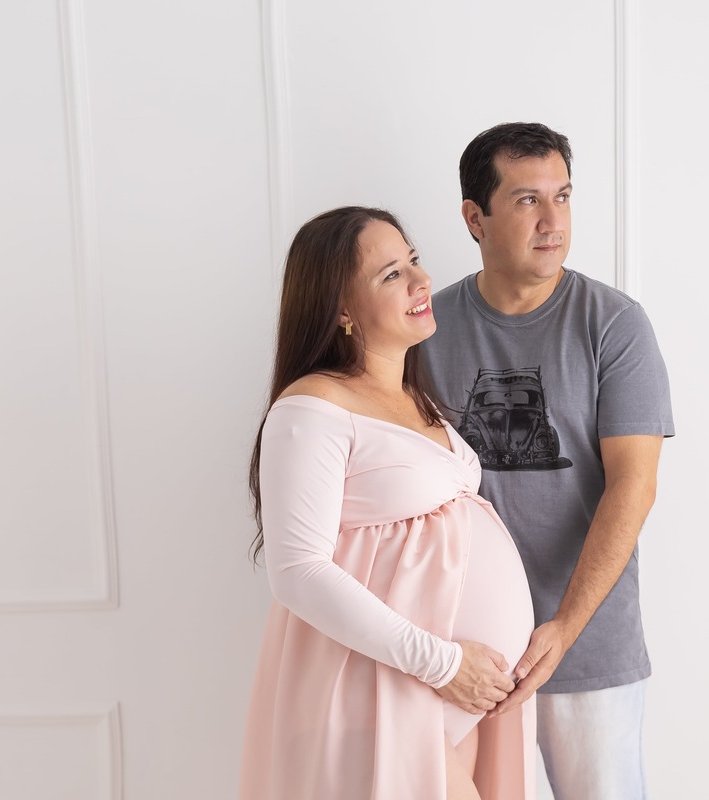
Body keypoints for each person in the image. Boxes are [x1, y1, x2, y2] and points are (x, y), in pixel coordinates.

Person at [239, 206, 537, 800]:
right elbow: (298, 571)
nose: (421, 281)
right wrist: (445, 664)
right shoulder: (312, 409)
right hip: (380, 693)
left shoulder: (416, 399)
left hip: (448, 698)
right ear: (341, 309)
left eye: (415, 261)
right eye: (391, 274)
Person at [419, 123, 674, 800]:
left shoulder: (614, 324)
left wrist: (563, 626)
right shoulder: (424, 332)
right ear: (476, 217)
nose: (553, 220)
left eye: (562, 196)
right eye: (528, 200)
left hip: (584, 638)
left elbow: (634, 487)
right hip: (462, 645)